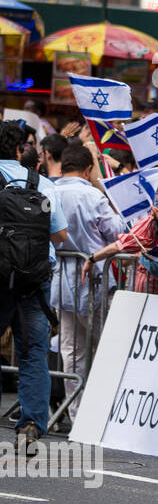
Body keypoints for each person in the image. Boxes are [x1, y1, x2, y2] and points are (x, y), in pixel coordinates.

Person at [0, 120, 68, 451]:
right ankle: (30, 426)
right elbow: (60, 235)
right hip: (33, 280)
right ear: (18, 150)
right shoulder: (42, 184)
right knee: (33, 352)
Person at [51, 143, 128, 423]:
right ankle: (105, 415)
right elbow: (117, 233)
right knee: (107, 347)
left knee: (72, 353)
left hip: (63, 283)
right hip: (94, 281)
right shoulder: (94, 196)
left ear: (62, 166)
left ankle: (77, 415)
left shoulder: (50, 192)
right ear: (87, 169)